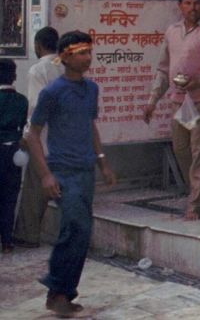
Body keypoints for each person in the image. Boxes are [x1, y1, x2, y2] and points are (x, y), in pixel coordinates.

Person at [24, 32, 117, 317]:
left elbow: (90, 126)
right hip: (62, 170)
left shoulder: (91, 89)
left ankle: (62, 292)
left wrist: (102, 162)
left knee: (81, 232)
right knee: (75, 227)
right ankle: (57, 289)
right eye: (80, 53)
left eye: (89, 52)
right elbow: (32, 135)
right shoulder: (52, 92)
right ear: (64, 56)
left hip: (85, 169)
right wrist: (45, 176)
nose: (87, 58)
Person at [143, 0, 200, 220]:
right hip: (179, 101)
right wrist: (152, 101)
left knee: (199, 151)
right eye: (188, 3)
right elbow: (163, 69)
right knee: (181, 148)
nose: (193, 8)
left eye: (197, 3)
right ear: (180, 6)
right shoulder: (172, 32)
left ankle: (194, 205)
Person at [13, 27, 62, 247]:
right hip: (65, 137)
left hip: (42, 136)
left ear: (38, 45)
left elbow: (35, 107)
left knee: (35, 187)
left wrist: (26, 135)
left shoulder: (38, 70)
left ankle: (28, 235)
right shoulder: (67, 66)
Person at [0, 59, 28, 253]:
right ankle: (7, 241)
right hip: (13, 153)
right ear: (14, 77)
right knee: (10, 196)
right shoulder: (21, 100)